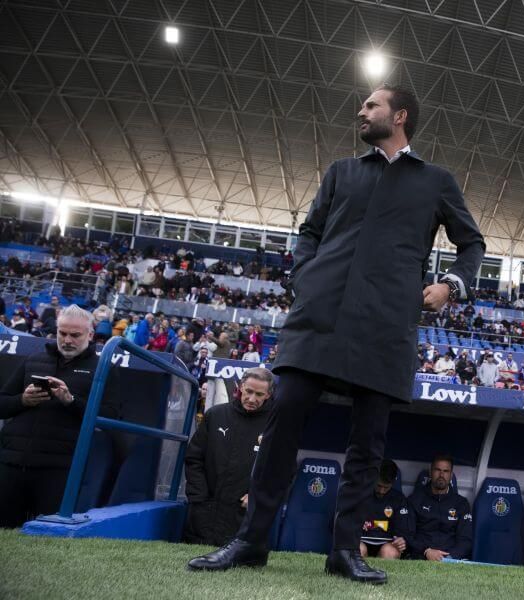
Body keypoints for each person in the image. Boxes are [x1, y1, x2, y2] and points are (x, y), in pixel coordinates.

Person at [187, 84, 485, 585]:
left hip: (386, 326)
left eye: (372, 105)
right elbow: (309, 233)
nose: (362, 111)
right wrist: (307, 279)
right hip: (319, 320)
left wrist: (451, 285)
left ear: (401, 116)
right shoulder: (342, 171)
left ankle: (344, 551)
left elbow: (471, 242)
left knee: (368, 445)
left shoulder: (436, 181)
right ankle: (250, 540)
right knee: (280, 429)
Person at [0, 305, 118, 527]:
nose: (67, 340)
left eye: (75, 335)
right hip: (11, 462)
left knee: (45, 539)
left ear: (90, 335)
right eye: (62, 333)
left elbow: (111, 417)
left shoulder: (104, 368)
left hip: (59, 469)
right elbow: (3, 403)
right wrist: (22, 400)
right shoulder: (33, 359)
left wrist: (70, 401)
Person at [183, 368, 274, 546]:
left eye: (259, 394)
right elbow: (194, 458)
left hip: (243, 518)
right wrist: (199, 497)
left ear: (268, 395)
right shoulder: (215, 415)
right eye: (248, 391)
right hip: (203, 513)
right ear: (240, 387)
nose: (252, 399)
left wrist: (258, 496)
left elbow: (283, 471)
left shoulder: (275, 426)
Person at [406, 454, 473, 561]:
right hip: (421, 557)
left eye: (446, 471)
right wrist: (426, 551)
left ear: (451, 475)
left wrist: (449, 558)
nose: (441, 474)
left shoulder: (461, 504)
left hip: (450, 560)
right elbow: (408, 535)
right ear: (430, 472)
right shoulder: (414, 500)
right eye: (437, 470)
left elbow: (466, 540)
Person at [360, 459, 409, 560]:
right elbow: (341, 522)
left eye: (386, 487)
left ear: (393, 482)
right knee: (359, 549)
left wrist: (402, 540)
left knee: (389, 552)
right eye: (379, 486)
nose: (381, 491)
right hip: (361, 542)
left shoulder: (399, 499)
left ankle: (382, 576)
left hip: (387, 544)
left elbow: (404, 531)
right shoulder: (359, 494)